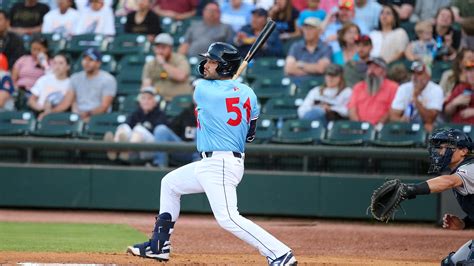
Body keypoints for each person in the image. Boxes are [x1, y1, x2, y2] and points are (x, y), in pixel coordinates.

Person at [126, 42, 297, 265]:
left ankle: (279, 253)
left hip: (221, 163)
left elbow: (215, 94)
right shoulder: (250, 94)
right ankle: (159, 245)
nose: (206, 64)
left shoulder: (203, 90)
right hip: (215, 161)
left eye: (212, 61)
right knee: (170, 183)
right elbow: (249, 136)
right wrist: (230, 94)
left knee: (227, 218)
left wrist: (225, 95)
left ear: (225, 67)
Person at [376, 128, 474, 264]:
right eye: (439, 148)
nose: (440, 152)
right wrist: (465, 223)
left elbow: (448, 181)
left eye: (447, 147)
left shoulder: (471, 167)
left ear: (463, 151)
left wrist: (410, 189)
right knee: (450, 264)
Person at [104, 87, 167, 161]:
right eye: (143, 98)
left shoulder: (160, 114)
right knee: (123, 127)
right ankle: (113, 148)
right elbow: (127, 125)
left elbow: (159, 134)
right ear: (139, 101)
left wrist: (141, 129)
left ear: (155, 101)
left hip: (152, 148)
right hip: (136, 143)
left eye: (149, 99)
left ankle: (127, 151)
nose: (146, 101)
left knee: (139, 129)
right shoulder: (136, 113)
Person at [55, 48, 116, 122]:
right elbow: (66, 102)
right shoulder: (75, 77)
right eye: (85, 59)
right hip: (77, 116)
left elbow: (104, 106)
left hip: (98, 117)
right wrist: (49, 113)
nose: (86, 62)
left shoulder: (108, 79)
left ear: (98, 63)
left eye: (91, 60)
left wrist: (87, 114)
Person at [389, 61, 444, 132]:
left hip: (430, 128)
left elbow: (429, 119)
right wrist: (401, 121)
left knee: (429, 127)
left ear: (428, 76)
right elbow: (393, 115)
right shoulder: (404, 88)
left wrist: (415, 99)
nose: (415, 76)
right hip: (408, 128)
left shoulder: (436, 89)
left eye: (419, 74)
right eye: (413, 73)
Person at [348, 57, 398, 125]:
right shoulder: (358, 87)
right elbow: (352, 109)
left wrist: (378, 125)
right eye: (369, 67)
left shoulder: (393, 87)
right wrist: (358, 126)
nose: (371, 70)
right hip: (359, 128)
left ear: (384, 71)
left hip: (382, 128)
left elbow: (392, 110)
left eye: (376, 67)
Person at [142, 33, 192, 102]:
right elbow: (146, 86)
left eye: (163, 47)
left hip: (178, 101)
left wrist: (163, 63)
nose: (160, 51)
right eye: (157, 47)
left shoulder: (180, 59)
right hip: (158, 101)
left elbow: (181, 76)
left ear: (170, 48)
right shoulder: (151, 64)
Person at [284, 17, 332, 86]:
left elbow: (321, 68)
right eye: (305, 28)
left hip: (318, 86)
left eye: (311, 28)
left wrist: (300, 64)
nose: (307, 31)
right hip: (297, 85)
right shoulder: (296, 46)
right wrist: (313, 71)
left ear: (319, 31)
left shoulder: (326, 48)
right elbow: (289, 68)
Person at [28, 53, 72, 119]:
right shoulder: (44, 79)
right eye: (55, 63)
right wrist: (39, 107)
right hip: (39, 112)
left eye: (61, 63)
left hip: (60, 115)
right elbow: (31, 99)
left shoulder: (71, 83)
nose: (57, 66)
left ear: (68, 66)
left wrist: (48, 113)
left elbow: (66, 104)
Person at [443, 60, 474, 125]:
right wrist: (454, 103)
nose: (472, 74)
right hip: (458, 129)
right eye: (469, 71)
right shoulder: (460, 88)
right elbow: (447, 112)